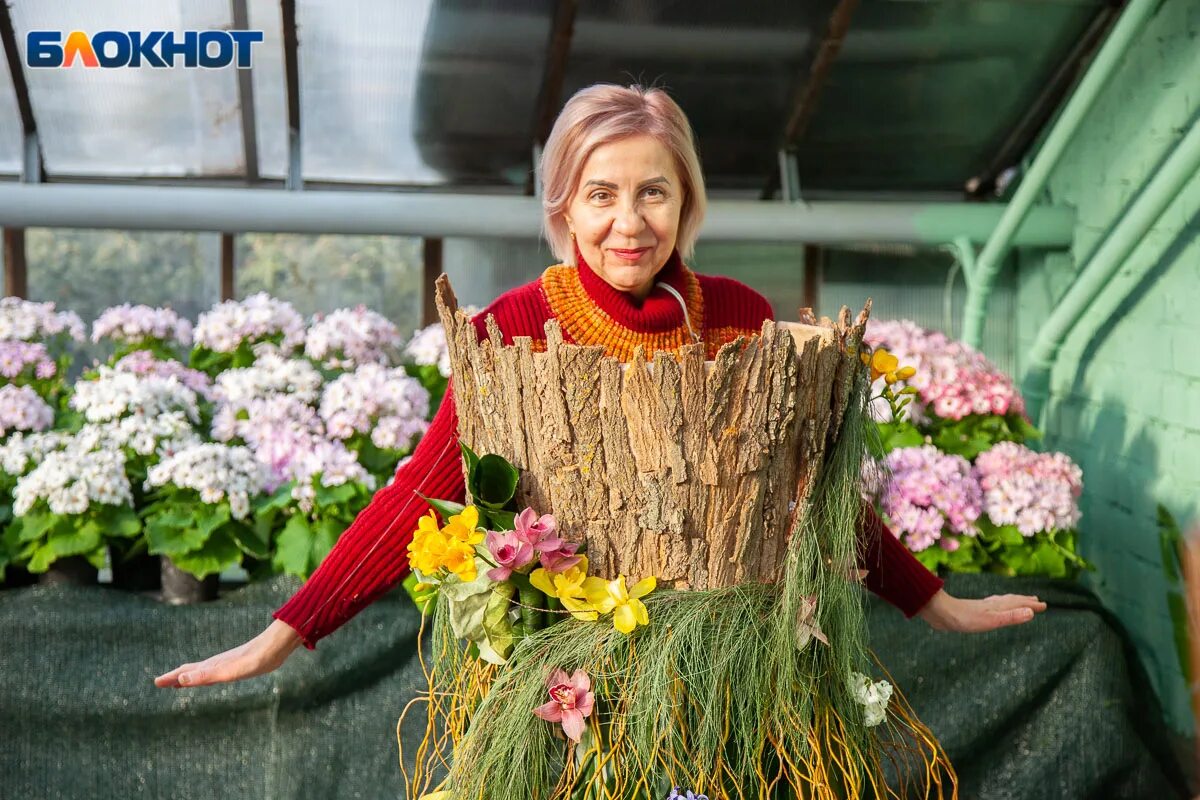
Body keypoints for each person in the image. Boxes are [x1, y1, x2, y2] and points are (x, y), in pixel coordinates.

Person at [155, 84, 1046, 691]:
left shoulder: (739, 316)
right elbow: (422, 493)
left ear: (687, 200)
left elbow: (807, 493)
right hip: (569, 679)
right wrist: (283, 635)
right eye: (601, 194)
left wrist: (937, 606)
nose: (630, 223)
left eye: (654, 193)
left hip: (727, 666)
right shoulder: (512, 328)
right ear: (563, 208)